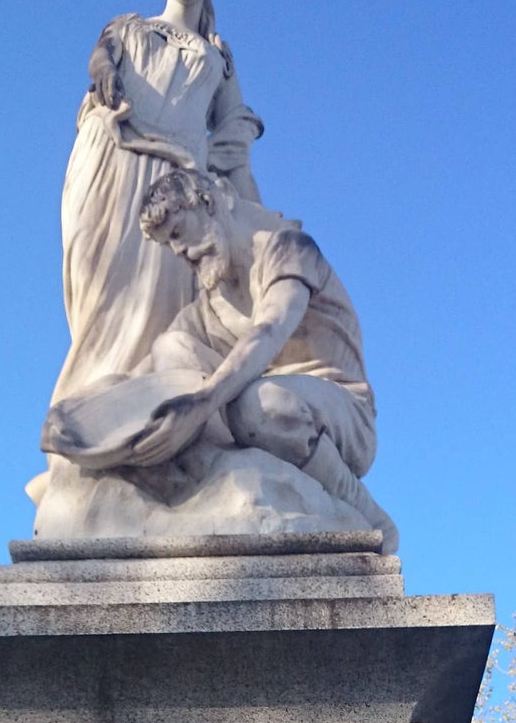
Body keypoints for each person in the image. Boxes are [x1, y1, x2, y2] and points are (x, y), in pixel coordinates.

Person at [51, 0, 263, 404]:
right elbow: (100, 58)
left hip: (177, 195)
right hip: (114, 167)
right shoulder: (128, 29)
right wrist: (102, 67)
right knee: (104, 298)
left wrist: (255, 218)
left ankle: (146, 413)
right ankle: (91, 410)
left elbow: (233, 136)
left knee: (164, 319)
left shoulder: (218, 57)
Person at [127, 168, 378, 509]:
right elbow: (144, 374)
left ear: (213, 201)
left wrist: (202, 403)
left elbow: (270, 329)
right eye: (169, 246)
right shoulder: (211, 305)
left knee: (259, 405)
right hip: (259, 411)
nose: (180, 251)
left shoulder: (288, 249)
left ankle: (355, 504)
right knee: (170, 349)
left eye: (178, 231)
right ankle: (214, 479)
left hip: (342, 412)